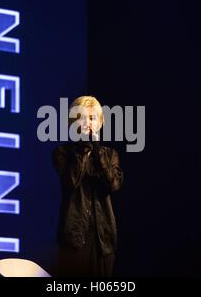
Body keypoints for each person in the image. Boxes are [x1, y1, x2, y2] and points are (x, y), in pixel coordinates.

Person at [52, 96, 123, 276]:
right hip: (74, 236)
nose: (87, 123)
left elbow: (112, 185)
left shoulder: (110, 154)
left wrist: (97, 151)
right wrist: (84, 149)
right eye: (81, 118)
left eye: (91, 118)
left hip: (103, 240)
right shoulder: (63, 152)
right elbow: (71, 181)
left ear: (99, 123)